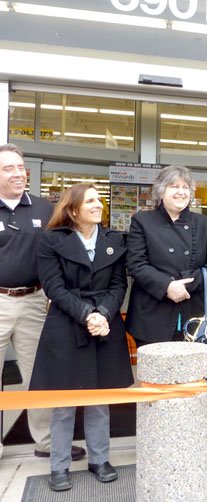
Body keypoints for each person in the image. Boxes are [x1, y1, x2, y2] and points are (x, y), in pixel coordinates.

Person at [29, 183, 133, 491]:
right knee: (65, 400)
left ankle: (99, 459)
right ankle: (59, 465)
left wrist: (102, 314)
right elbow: (54, 287)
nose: (98, 205)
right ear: (73, 210)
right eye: (90, 201)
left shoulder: (114, 240)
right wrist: (87, 314)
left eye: (98, 200)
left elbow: (118, 285)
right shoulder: (51, 241)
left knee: (99, 399)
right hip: (66, 325)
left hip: (105, 324)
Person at [0, 143, 86, 463]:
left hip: (35, 300)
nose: (18, 173)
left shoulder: (43, 208)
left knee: (39, 373)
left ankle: (47, 441)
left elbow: (62, 250)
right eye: (9, 168)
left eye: (20, 167)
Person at [125, 165, 207, 346]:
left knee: (192, 372)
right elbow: (136, 264)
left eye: (185, 187)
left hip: (194, 312)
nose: (181, 192)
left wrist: (187, 283)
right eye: (174, 186)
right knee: (155, 373)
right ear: (161, 191)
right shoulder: (142, 221)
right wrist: (167, 286)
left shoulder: (204, 223)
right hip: (152, 314)